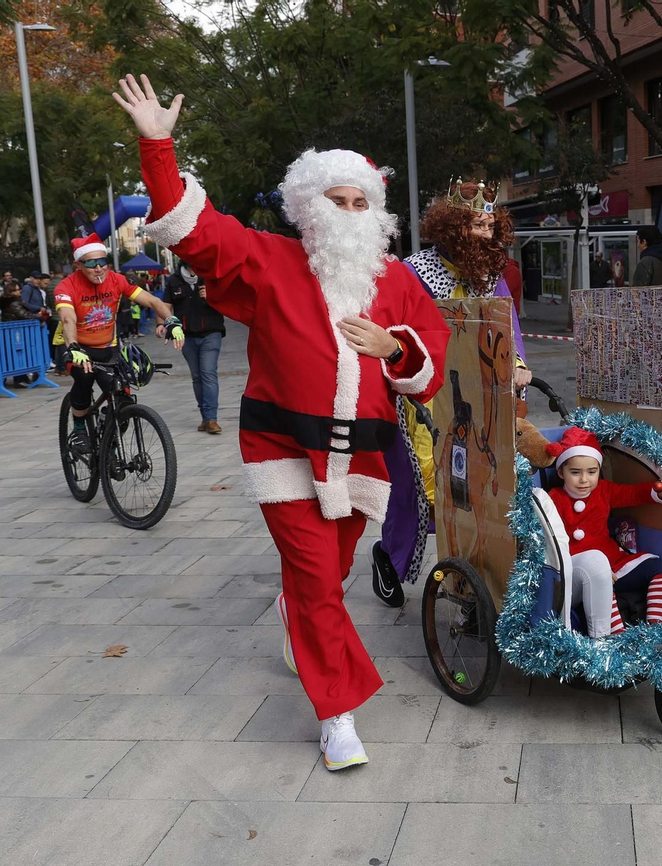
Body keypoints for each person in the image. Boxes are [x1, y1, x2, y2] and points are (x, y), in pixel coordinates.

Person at [117, 72, 449, 771]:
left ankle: (296, 612)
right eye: (339, 199)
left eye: (363, 201)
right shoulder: (270, 260)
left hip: (361, 458)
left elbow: (430, 363)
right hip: (281, 447)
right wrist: (158, 148)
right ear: (309, 206)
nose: (353, 210)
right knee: (318, 583)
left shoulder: (397, 282)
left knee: (327, 574)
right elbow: (196, 232)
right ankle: (337, 715)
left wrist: (395, 348)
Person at [372, 179, 528, 603]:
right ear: (454, 225)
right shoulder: (411, 271)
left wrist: (516, 366)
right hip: (421, 401)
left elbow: (506, 327)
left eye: (490, 225)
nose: (486, 232)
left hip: (479, 399)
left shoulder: (491, 277)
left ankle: (469, 580)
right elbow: (394, 331)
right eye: (477, 224)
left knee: (475, 491)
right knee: (419, 495)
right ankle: (388, 555)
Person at [543, 428, 662, 637]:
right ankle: (618, 638)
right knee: (601, 587)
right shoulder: (555, 498)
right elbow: (555, 544)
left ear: (598, 470)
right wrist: (601, 574)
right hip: (581, 571)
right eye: (575, 472)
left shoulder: (604, 490)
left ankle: (655, 627)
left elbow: (633, 494)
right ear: (561, 472)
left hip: (616, 562)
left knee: (660, 566)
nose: (584, 480)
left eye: (591, 472)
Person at [55, 233, 183, 446]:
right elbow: (68, 319)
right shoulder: (66, 287)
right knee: (84, 379)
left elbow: (151, 301)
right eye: (91, 263)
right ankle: (79, 429)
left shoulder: (117, 280)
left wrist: (171, 320)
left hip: (109, 348)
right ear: (78, 264)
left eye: (102, 261)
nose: (98, 269)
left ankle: (109, 443)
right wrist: (74, 347)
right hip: (79, 348)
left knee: (123, 398)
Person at [164, 263, 226, 433]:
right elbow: (166, 306)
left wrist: (213, 295)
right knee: (197, 376)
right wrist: (161, 324)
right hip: (186, 335)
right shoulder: (174, 280)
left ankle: (212, 419)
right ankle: (205, 418)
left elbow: (229, 300)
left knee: (208, 373)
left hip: (211, 332)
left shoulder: (211, 275)